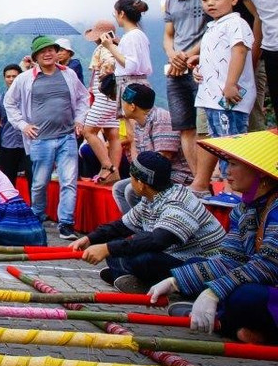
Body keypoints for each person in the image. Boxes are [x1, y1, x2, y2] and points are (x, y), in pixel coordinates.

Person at [149, 131, 278, 344]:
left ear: (260, 172)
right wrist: (175, 282)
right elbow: (231, 259)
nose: (226, 171)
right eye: (226, 164)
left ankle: (228, 321)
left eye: (234, 164)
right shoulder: (243, 210)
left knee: (245, 296)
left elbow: (269, 265)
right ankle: (234, 324)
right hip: (263, 282)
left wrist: (215, 292)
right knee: (194, 268)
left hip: (269, 284)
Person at [72, 150, 224, 295]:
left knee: (142, 260)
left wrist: (107, 248)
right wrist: (91, 238)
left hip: (202, 261)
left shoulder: (179, 202)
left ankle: (133, 276)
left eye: (131, 177)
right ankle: (129, 276)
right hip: (172, 254)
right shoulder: (151, 198)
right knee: (115, 246)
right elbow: (122, 226)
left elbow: (159, 240)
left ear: (140, 183)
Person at [4, 35, 90, 241]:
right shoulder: (26, 78)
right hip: (40, 139)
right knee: (40, 183)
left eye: (52, 49)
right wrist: (23, 125)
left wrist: (79, 119)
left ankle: (66, 223)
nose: (49, 53)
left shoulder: (68, 74)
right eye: (43, 51)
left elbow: (83, 98)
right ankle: (37, 216)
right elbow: (10, 103)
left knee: (68, 181)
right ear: (35, 57)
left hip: (66, 136)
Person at [194, 0, 264, 136]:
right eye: (206, 0)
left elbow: (259, 14)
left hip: (243, 67)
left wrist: (254, 56)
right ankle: (223, 170)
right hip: (214, 85)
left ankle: (252, 169)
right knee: (213, 134)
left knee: (247, 130)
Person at [160, 0, 209, 183]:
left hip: (201, 68)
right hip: (176, 70)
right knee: (185, 127)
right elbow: (168, 36)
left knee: (204, 127)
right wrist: (173, 56)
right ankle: (197, 179)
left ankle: (208, 178)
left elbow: (214, 30)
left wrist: (187, 56)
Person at [193, 0, 256, 139]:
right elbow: (214, 57)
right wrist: (199, 70)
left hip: (229, 99)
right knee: (221, 147)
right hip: (211, 98)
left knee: (233, 147)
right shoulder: (212, 27)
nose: (210, 3)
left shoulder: (236, 23)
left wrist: (231, 84)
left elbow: (239, 52)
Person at [111, 83, 189, 212]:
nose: (121, 106)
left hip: (175, 174)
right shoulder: (139, 124)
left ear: (132, 106)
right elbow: (139, 159)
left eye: (123, 102)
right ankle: (135, 227)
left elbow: (163, 159)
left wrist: (140, 177)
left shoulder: (161, 119)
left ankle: (150, 227)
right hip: (152, 172)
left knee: (132, 189)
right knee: (119, 188)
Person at [99, 0, 154, 120]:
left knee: (132, 128)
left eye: (115, 13)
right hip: (138, 83)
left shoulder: (131, 36)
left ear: (122, 13)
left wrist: (110, 46)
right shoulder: (138, 34)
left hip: (130, 85)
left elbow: (130, 65)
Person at [82, 19, 123, 182]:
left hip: (104, 97)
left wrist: (104, 81)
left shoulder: (104, 49)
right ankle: (115, 173)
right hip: (115, 98)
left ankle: (107, 166)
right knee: (112, 134)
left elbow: (109, 66)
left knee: (88, 131)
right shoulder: (117, 47)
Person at [0, 64, 27, 182]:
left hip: (29, 143)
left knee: (33, 180)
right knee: (8, 181)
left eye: (14, 76)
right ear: (4, 78)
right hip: (8, 144)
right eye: (8, 76)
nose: (11, 79)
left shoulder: (28, 97)